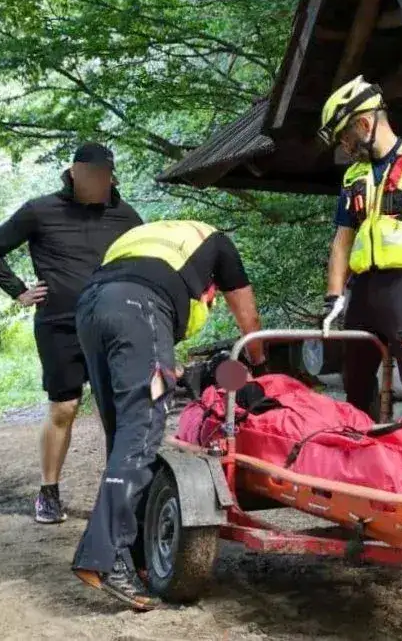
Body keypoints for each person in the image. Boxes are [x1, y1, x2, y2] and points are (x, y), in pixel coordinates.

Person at [70, 219, 266, 610]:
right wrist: (260, 364)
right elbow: (247, 314)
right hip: (139, 309)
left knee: (125, 434)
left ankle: (131, 554)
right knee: (142, 429)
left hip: (91, 310)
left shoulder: (141, 242)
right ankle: (104, 558)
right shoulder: (216, 240)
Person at [0, 142, 143, 525]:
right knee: (64, 407)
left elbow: (148, 257)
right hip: (59, 324)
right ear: (72, 174)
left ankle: (119, 494)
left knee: (114, 410)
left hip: (113, 324)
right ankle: (48, 493)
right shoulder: (40, 210)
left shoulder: (126, 216)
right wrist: (18, 290)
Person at [317, 75, 402, 421]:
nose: (346, 147)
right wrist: (334, 297)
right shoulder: (353, 178)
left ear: (365, 123)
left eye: (346, 137)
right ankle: (363, 464)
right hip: (362, 291)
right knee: (357, 390)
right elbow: (342, 239)